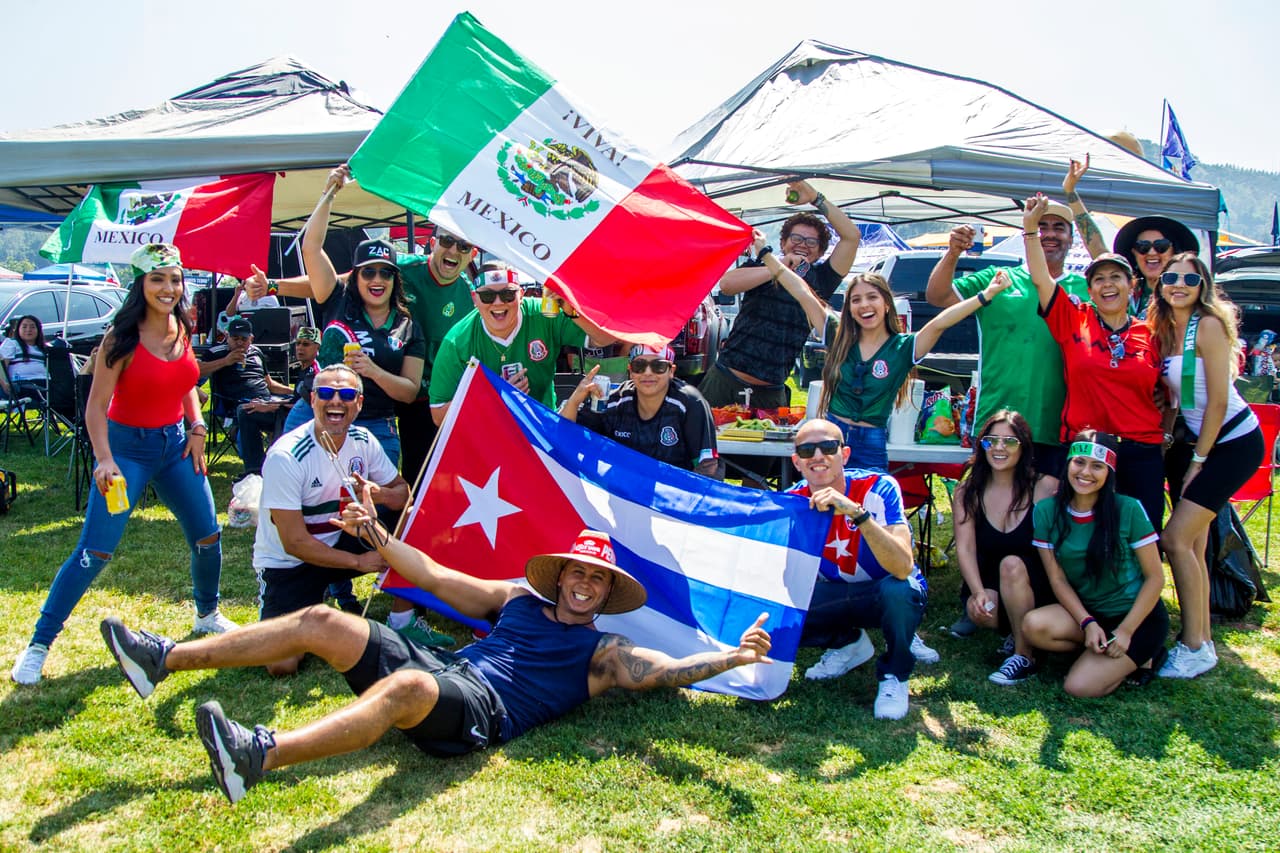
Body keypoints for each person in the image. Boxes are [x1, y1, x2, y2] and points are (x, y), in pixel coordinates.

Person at [99, 526, 773, 803]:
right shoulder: (515, 596)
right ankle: (161, 657)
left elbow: (664, 670)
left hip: (483, 712)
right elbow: (434, 573)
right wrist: (377, 534)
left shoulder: (602, 654)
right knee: (323, 622)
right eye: (576, 572)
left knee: (411, 685)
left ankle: (258, 756)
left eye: (596, 580)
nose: (583, 585)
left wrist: (730, 658)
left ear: (606, 592)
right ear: (561, 573)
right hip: (449, 660)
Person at [11, 244, 235, 686]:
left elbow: (186, 381)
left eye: (174, 279)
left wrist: (197, 427)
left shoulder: (181, 327)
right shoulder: (121, 338)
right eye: (158, 279)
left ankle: (207, 613)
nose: (169, 288)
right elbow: (95, 408)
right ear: (140, 284)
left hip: (175, 447)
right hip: (125, 450)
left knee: (208, 536)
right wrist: (105, 459)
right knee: (95, 551)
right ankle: (38, 646)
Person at [762, 230, 1012, 471]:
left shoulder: (903, 347)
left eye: (872, 297)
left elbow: (941, 322)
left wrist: (985, 295)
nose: (864, 305)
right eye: (856, 300)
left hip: (872, 440)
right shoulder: (837, 333)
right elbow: (802, 292)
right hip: (830, 437)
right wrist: (765, 253)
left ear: (886, 304)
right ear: (848, 308)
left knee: (869, 508)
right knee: (828, 506)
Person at [1023, 195, 1167, 532]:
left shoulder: (1153, 333)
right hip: (1087, 449)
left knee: (1143, 536)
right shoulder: (1073, 319)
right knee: (1083, 535)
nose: (1107, 284)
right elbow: (1042, 280)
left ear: (1132, 286)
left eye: (1116, 277)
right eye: (1099, 279)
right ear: (1089, 289)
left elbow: (1170, 387)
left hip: (1140, 451)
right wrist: (1031, 229)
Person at [1150, 253, 1265, 679]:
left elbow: (1218, 400)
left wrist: (1198, 461)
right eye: (1170, 277)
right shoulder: (1165, 328)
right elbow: (1173, 397)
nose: (1178, 284)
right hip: (1195, 440)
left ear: (1203, 285)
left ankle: (1196, 645)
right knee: (1193, 543)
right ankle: (1198, 639)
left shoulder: (1209, 325)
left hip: (1231, 441)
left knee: (1176, 539)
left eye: (1189, 278)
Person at [253, 364, 409, 674]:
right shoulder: (287, 456)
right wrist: (359, 563)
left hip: (340, 536)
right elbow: (295, 543)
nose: (335, 401)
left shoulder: (363, 440)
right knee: (281, 665)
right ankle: (308, 606)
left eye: (347, 394)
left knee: (413, 519)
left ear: (359, 404)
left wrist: (378, 494)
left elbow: (404, 494)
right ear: (312, 400)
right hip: (292, 563)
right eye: (326, 393)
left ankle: (403, 620)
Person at [926, 198, 1088, 477]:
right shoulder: (998, 279)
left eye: (1059, 228)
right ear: (1027, 234)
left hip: (1059, 427)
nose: (1049, 234)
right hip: (997, 424)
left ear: (1071, 239)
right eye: (1041, 226)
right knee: (992, 510)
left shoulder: (1086, 287)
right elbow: (938, 296)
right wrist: (952, 253)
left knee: (1045, 514)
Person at [786, 419, 930, 720]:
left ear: (845, 454)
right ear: (797, 461)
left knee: (900, 590)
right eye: (807, 450)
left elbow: (903, 566)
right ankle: (848, 643)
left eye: (828, 447)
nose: (818, 456)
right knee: (777, 610)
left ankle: (895, 676)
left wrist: (856, 512)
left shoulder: (878, 488)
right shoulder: (791, 501)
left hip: (883, 589)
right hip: (834, 593)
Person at [1022, 432, 1168, 697]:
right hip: (1090, 611)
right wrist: (1087, 622)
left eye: (1097, 466)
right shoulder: (1045, 511)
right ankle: (1100, 647)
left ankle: (1146, 654)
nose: (1085, 472)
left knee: (1078, 687)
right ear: (1067, 463)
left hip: (1135, 617)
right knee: (1033, 626)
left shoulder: (1129, 509)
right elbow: (1058, 579)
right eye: (1079, 462)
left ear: (1110, 471)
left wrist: (1125, 631)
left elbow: (1156, 578)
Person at [301, 166, 426, 468]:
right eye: (368, 271)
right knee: (306, 496)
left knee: (378, 504)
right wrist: (329, 193)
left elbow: (410, 392)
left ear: (396, 280)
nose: (377, 278)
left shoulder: (408, 326)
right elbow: (311, 247)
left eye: (386, 272)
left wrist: (373, 371)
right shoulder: (337, 297)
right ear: (355, 277)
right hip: (313, 412)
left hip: (375, 424)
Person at [701, 180, 860, 412]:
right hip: (725, 380)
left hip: (771, 392)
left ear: (820, 251)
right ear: (783, 243)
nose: (803, 245)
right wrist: (778, 266)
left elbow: (852, 237)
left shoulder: (823, 279)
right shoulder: (760, 266)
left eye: (811, 242)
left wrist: (816, 198)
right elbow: (726, 284)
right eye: (796, 239)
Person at [429, 261, 612, 424]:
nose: (498, 303)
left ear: (521, 294)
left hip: (540, 426)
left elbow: (605, 339)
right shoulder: (457, 341)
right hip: (486, 433)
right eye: (487, 296)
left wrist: (571, 311)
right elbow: (438, 415)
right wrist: (493, 395)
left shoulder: (544, 314)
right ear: (475, 299)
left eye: (508, 294)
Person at [951, 411, 1058, 684]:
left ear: (1023, 447)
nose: (999, 448)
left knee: (1012, 564)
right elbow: (965, 549)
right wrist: (976, 593)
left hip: (1038, 584)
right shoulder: (967, 491)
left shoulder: (1045, 487)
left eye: (1009, 442)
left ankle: (1025, 656)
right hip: (991, 581)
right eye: (991, 441)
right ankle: (1015, 631)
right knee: (981, 608)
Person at [1062, 155, 1200, 319]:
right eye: (1143, 246)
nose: (1151, 252)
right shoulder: (1129, 291)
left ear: (1173, 252)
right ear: (1134, 253)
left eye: (1160, 246)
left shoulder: (1185, 294)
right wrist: (1070, 193)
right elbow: (1096, 245)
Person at [560, 344, 721, 479]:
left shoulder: (690, 403)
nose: (648, 372)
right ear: (630, 371)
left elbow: (707, 465)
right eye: (639, 366)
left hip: (672, 499)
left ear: (671, 371)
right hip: (623, 496)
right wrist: (575, 400)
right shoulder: (616, 401)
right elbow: (564, 437)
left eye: (658, 366)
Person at [199, 316, 294, 477]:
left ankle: (283, 462)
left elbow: (269, 384)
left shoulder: (256, 352)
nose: (239, 343)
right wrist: (226, 361)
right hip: (237, 402)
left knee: (295, 408)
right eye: (235, 338)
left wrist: (294, 393)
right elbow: (197, 369)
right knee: (247, 410)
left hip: (266, 399)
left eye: (244, 339)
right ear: (227, 336)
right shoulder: (217, 352)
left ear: (251, 338)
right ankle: (256, 470)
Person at [281, 326, 322, 433]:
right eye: (298, 343)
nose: (300, 348)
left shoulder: (316, 372)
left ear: (317, 347)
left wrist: (272, 407)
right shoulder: (302, 368)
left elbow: (308, 404)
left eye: (306, 344)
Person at [0, 314, 49, 399]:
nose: (28, 330)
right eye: (24, 327)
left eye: (32, 327)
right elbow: (1, 367)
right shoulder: (11, 344)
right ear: (18, 330)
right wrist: (4, 385)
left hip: (46, 384)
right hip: (22, 385)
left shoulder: (44, 349)